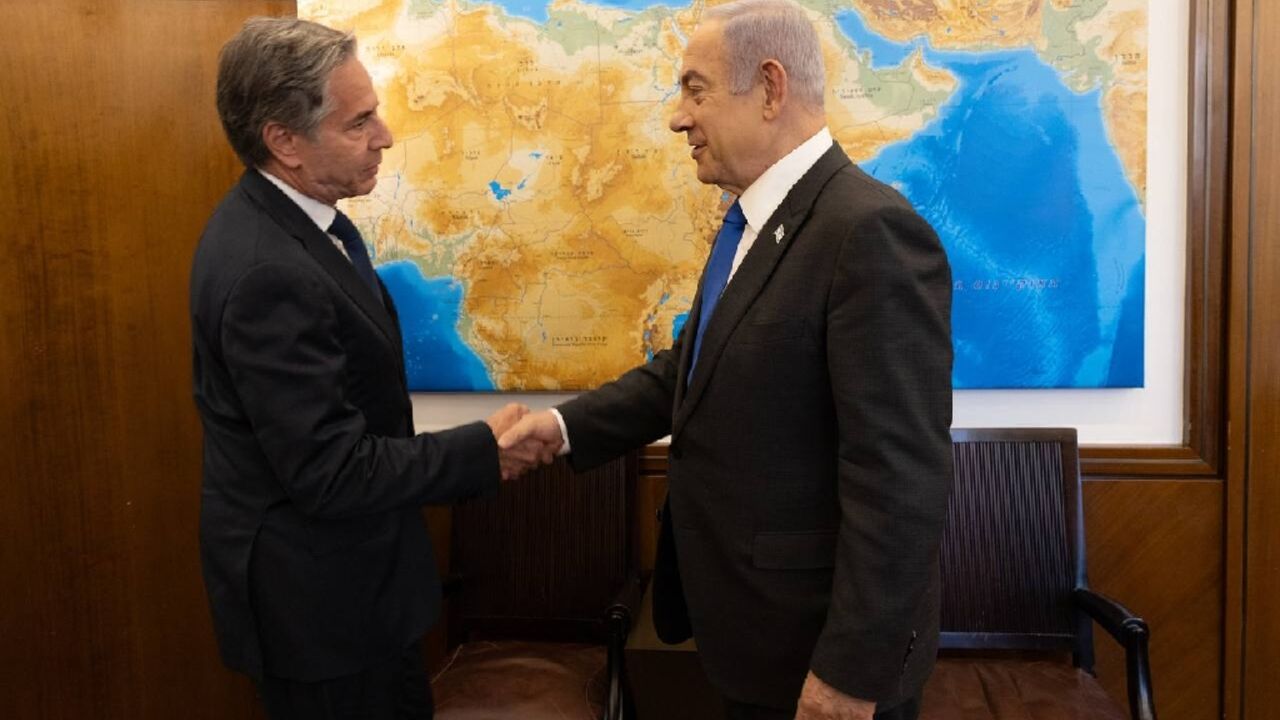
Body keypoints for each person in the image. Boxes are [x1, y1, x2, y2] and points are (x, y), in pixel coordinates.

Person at [500, 1, 953, 718]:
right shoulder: (751, 219)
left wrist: (848, 677)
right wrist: (559, 431)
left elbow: (899, 482)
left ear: (771, 88)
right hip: (749, 635)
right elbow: (689, 372)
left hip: (818, 660)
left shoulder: (868, 233)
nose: (678, 117)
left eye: (696, 89)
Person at [190, 17, 539, 719]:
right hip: (321, 619)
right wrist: (480, 452)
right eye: (360, 122)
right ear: (283, 141)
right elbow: (330, 471)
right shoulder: (267, 270)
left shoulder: (311, 223)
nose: (383, 135)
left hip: (354, 594)